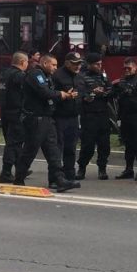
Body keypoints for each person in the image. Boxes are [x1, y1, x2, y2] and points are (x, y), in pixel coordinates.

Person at [13, 54, 78, 192]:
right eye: (53, 65)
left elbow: (50, 93)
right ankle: (19, 178)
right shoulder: (36, 74)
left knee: (53, 151)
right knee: (30, 150)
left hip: (47, 118)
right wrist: (62, 94)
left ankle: (59, 179)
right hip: (36, 119)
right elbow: (44, 92)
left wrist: (64, 95)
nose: (55, 68)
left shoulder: (47, 76)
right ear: (44, 63)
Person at [113, 57, 137, 181]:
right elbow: (118, 99)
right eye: (124, 68)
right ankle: (128, 169)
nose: (126, 70)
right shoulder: (121, 81)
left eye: (129, 68)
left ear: (135, 67)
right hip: (125, 118)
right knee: (128, 144)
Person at [77, 52, 113, 180]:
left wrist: (103, 93)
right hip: (89, 115)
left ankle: (102, 169)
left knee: (104, 145)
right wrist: (92, 93)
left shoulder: (103, 76)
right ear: (89, 64)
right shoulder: (82, 77)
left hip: (103, 114)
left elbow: (110, 89)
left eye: (100, 63)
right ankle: (82, 168)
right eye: (96, 64)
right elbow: (81, 95)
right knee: (88, 145)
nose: (99, 66)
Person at [51, 51, 86, 182]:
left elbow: (82, 94)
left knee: (71, 147)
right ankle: (55, 178)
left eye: (79, 64)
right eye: (75, 64)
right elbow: (51, 94)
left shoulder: (80, 77)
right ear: (67, 63)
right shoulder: (57, 76)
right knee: (57, 148)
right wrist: (64, 96)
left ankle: (69, 176)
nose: (78, 66)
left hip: (74, 117)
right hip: (59, 117)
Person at [0, 52, 28, 184]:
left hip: (5, 111)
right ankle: (6, 172)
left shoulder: (4, 74)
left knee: (12, 142)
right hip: (16, 112)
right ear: (22, 62)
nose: (27, 65)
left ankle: (20, 168)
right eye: (27, 62)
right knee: (14, 143)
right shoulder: (19, 75)